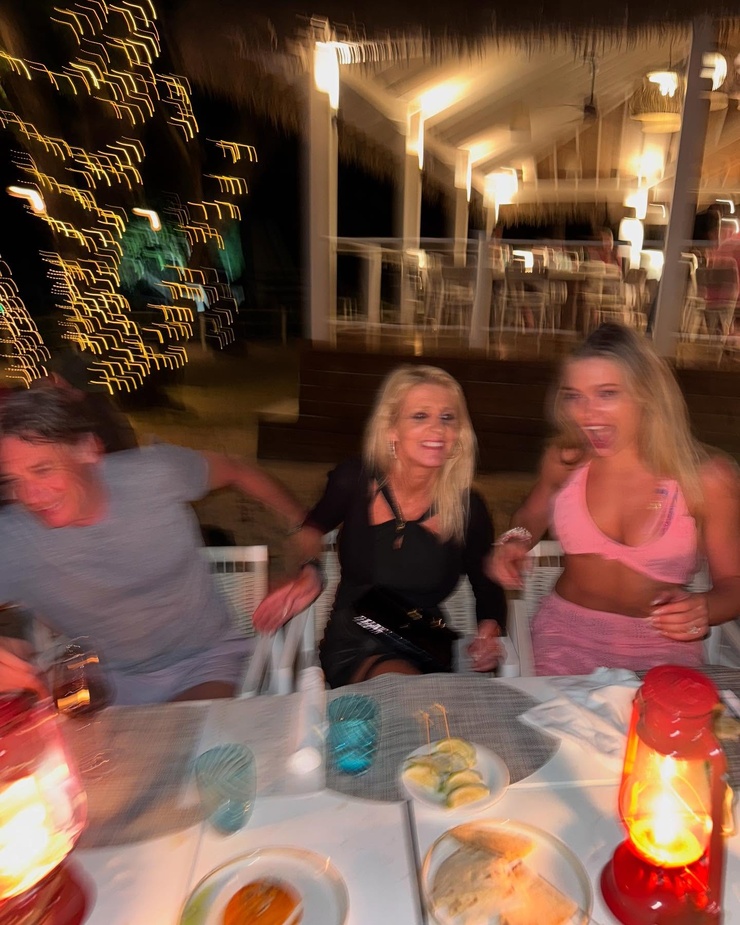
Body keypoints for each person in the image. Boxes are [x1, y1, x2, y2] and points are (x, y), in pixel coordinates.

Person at [0, 386, 308, 704]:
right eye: (13, 481)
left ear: (87, 449)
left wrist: (304, 525)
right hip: (100, 678)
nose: (30, 497)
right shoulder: (12, 538)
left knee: (185, 733)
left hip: (203, 662)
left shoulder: (153, 475)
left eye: (42, 470)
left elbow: (238, 470)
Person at [490, 323, 740, 675]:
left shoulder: (708, 478)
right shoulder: (566, 460)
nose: (586, 414)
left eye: (606, 393)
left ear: (647, 394)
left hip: (663, 644)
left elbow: (733, 585)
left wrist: (704, 608)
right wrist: (514, 539)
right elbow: (531, 514)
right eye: (574, 395)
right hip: (565, 637)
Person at [254, 365, 507, 688]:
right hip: (356, 637)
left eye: (448, 417)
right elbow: (311, 529)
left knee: (418, 705)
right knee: (402, 694)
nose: (438, 429)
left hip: (422, 640)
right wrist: (311, 572)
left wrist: (489, 632)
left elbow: (486, 586)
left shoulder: (469, 508)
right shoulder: (355, 479)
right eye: (420, 416)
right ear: (391, 429)